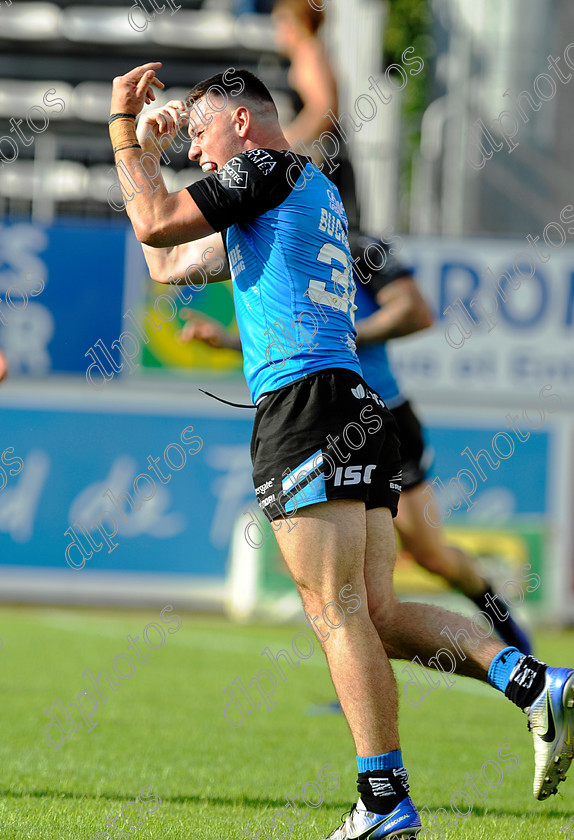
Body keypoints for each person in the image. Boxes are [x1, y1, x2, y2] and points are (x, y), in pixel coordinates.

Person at [108, 63, 573, 838]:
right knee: (381, 614)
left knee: (337, 611)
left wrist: (123, 127)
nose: (194, 148)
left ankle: (384, 802)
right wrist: (149, 162)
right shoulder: (306, 191)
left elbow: (155, 226)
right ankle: (532, 683)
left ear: (243, 122)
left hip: (304, 405)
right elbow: (164, 266)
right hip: (355, 403)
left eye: (199, 131)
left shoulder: (260, 168)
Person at [179, 234, 532, 656]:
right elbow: (294, 339)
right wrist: (229, 342)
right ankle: (358, 685)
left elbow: (415, 312)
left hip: (380, 416)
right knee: (349, 582)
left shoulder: (361, 248)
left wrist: (343, 335)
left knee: (430, 557)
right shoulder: (279, 243)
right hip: (322, 417)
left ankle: (512, 637)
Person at [272, 0, 361, 227]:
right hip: (324, 161)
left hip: (324, 164)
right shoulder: (311, 51)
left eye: (282, 23)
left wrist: (285, 143)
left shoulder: (309, 52)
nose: (277, 31)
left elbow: (325, 108)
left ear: (300, 23)